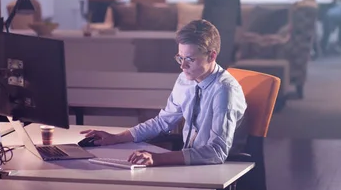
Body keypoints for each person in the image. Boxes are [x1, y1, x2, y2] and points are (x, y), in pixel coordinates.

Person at [81, 19, 247, 167]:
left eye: (190, 59)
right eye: (180, 58)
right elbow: (162, 122)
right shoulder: (185, 79)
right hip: (190, 163)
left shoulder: (224, 91)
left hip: (216, 169)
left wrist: (158, 159)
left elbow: (216, 152)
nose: (182, 66)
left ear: (211, 56)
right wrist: (116, 138)